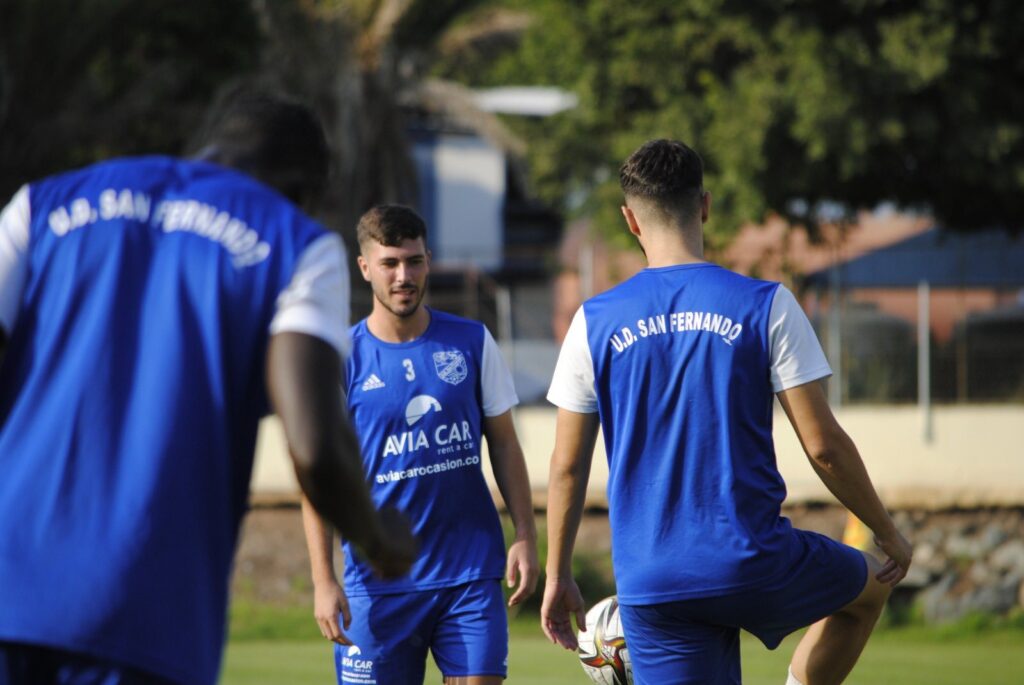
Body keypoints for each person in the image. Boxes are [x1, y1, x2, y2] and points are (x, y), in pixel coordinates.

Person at [0, 91, 415, 685]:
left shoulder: (40, 206)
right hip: (143, 620)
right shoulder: (296, 243)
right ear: (304, 189)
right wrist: (377, 537)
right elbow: (316, 446)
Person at [540, 139, 913, 685]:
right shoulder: (765, 304)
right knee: (868, 590)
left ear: (630, 220)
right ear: (705, 206)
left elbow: (567, 467)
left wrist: (558, 573)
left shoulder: (592, 322)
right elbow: (824, 447)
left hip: (653, 581)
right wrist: (887, 532)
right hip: (753, 562)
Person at [301, 204, 539, 685]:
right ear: (365, 268)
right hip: (376, 586)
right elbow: (319, 478)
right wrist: (324, 580)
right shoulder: (342, 360)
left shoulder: (472, 341)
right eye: (389, 264)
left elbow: (506, 446)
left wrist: (526, 535)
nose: (403, 276)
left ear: (428, 260)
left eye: (413, 261)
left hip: (468, 576)